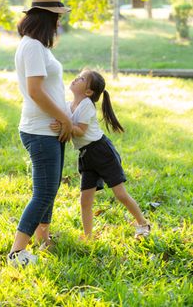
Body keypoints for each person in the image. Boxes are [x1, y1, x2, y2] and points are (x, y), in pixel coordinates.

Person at [8, 0, 72, 267]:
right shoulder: (32, 46)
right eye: (57, 17)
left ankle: (43, 239)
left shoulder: (37, 46)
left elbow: (46, 88)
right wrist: (66, 119)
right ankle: (16, 252)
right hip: (40, 129)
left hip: (50, 128)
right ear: (47, 17)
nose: (59, 23)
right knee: (43, 192)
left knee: (51, 187)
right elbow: (35, 91)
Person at [51, 69, 150, 240]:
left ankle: (142, 223)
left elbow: (80, 131)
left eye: (82, 78)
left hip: (102, 152)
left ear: (88, 92)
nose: (76, 78)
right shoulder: (68, 105)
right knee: (85, 200)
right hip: (86, 156)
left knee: (120, 194)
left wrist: (64, 127)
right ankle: (88, 236)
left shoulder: (87, 106)